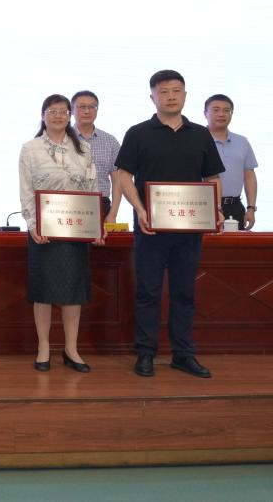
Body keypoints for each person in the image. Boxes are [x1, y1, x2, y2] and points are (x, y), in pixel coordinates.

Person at [115, 70, 225, 379]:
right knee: (148, 292)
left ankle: (183, 354)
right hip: (150, 227)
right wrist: (139, 210)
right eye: (163, 91)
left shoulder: (200, 134)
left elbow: (212, 177)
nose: (171, 96)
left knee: (184, 292)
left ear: (185, 96)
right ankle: (145, 353)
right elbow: (124, 175)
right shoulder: (138, 132)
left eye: (176, 91)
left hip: (189, 229)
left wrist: (215, 208)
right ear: (153, 97)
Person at [19, 94, 102, 373]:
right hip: (43, 232)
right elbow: (26, 190)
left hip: (75, 230)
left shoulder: (83, 149)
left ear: (70, 116)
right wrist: (33, 225)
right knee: (42, 291)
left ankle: (71, 349)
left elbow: (92, 188)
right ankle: (43, 347)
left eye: (63, 111)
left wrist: (95, 226)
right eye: (52, 111)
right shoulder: (30, 149)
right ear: (42, 115)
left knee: (73, 292)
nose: (58, 116)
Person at [204, 94, 258, 230]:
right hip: (204, 206)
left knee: (235, 244)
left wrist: (251, 208)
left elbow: (249, 176)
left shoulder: (242, 142)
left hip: (235, 207)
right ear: (205, 113)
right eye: (216, 110)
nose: (221, 114)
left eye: (226, 110)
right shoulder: (197, 141)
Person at [71, 90, 123, 223]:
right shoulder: (63, 139)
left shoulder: (110, 141)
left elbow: (118, 180)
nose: (87, 111)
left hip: (101, 204)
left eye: (92, 107)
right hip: (69, 204)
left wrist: (113, 213)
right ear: (72, 111)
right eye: (82, 107)